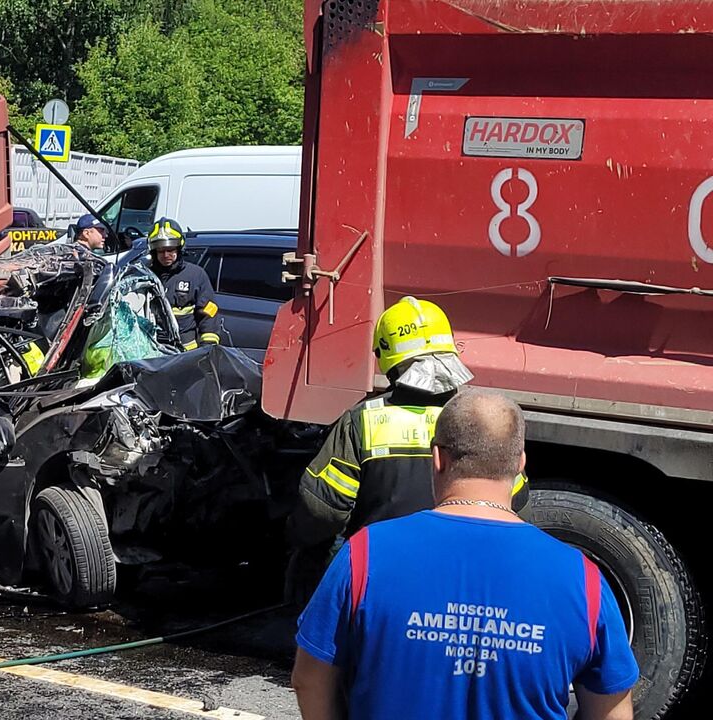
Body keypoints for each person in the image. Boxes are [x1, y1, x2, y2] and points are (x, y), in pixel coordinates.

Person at [292, 390, 638, 720]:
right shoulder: (583, 579)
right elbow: (612, 709)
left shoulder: (365, 555)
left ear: (438, 458)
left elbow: (310, 678)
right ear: (520, 464)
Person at [284, 297, 528, 597]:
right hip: (465, 579)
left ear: (387, 355)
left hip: (381, 577)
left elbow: (322, 512)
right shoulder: (483, 417)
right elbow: (516, 500)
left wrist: (296, 538)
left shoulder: (363, 420)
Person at [147, 217, 221, 350]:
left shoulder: (195, 275)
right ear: (154, 251)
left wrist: (207, 348)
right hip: (151, 351)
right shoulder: (144, 275)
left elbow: (209, 313)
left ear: (179, 248)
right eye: (161, 250)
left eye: (170, 250)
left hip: (185, 352)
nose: (166, 255)